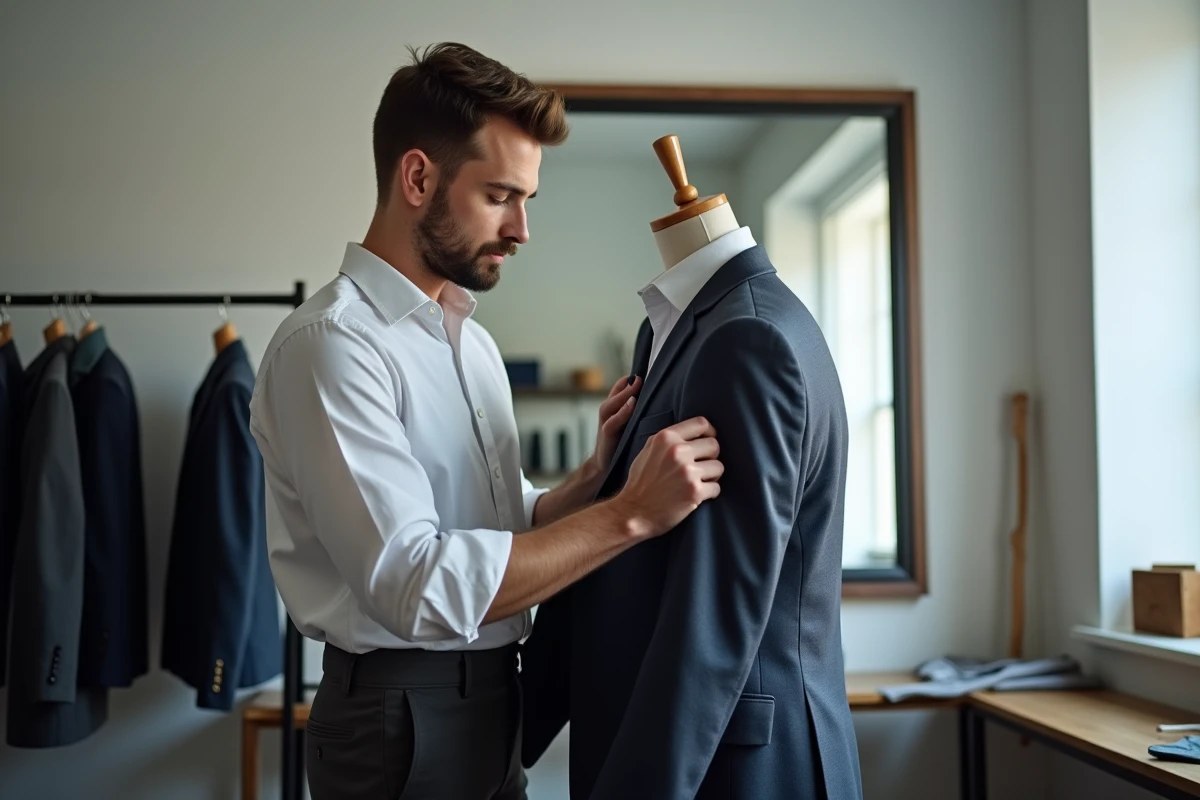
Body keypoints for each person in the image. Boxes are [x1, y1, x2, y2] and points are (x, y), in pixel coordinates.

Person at [247, 42, 724, 800]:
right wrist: (629, 516)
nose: (522, 229)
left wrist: (590, 482)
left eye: (527, 199)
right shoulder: (331, 346)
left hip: (497, 697)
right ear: (417, 178)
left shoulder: (472, 341)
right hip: (397, 716)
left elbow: (499, 521)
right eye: (501, 195)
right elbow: (417, 583)